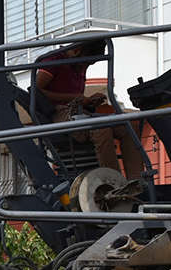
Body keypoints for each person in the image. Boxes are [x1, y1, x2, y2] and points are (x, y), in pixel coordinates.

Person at [34, 39, 146, 180]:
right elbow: (36, 90)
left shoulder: (78, 65)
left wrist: (87, 101)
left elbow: (75, 97)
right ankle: (115, 183)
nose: (85, 67)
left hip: (78, 111)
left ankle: (137, 180)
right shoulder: (54, 59)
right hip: (57, 113)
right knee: (100, 130)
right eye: (85, 62)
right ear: (76, 51)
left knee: (128, 126)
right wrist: (76, 98)